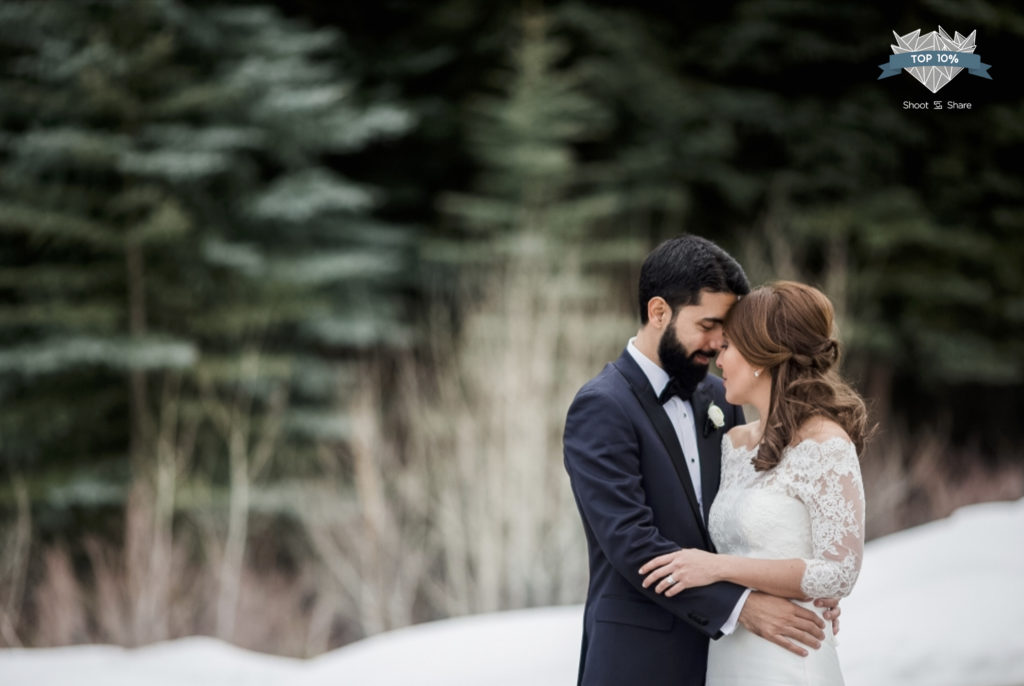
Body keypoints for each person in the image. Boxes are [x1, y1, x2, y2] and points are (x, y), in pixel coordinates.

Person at [563, 237, 838, 686]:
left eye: (726, 327)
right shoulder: (601, 406)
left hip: (734, 658)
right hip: (640, 659)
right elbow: (632, 543)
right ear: (658, 312)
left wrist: (804, 589)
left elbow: (746, 516)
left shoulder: (719, 396)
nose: (719, 342)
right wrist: (742, 606)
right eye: (708, 324)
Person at [638, 280, 869, 685]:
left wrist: (718, 568)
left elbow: (838, 572)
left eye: (727, 346)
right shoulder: (735, 443)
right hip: (728, 658)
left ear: (762, 356)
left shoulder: (827, 444)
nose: (718, 360)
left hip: (791, 659)